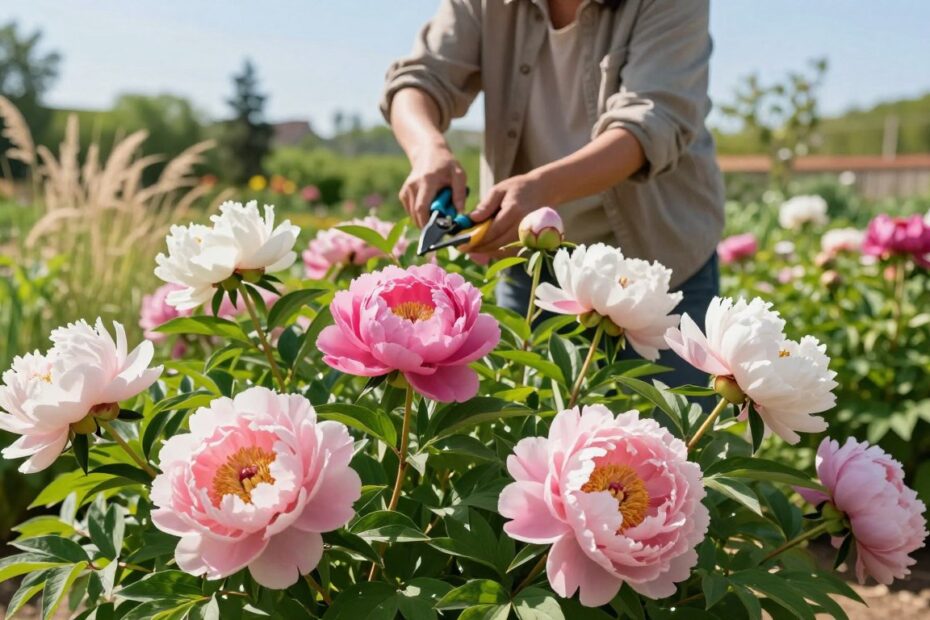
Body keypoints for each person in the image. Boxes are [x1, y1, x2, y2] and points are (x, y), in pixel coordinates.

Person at [380, 0, 724, 388]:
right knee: (525, 413)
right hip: (534, 268)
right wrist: (428, 150)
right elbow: (420, 78)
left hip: (657, 268)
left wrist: (542, 189)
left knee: (673, 417)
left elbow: (653, 123)